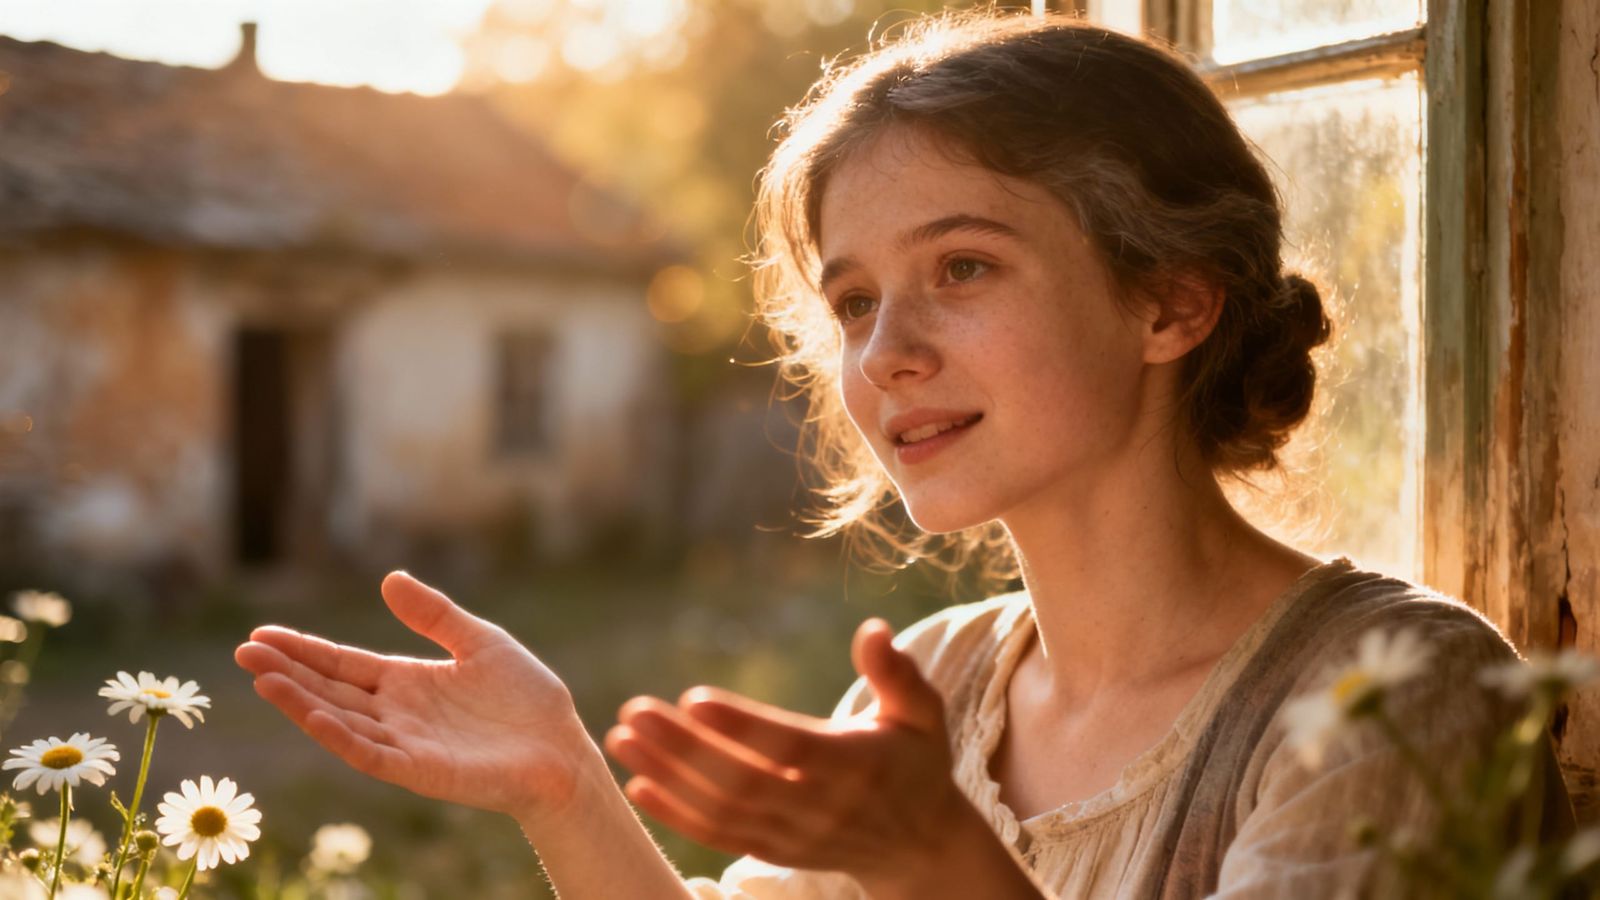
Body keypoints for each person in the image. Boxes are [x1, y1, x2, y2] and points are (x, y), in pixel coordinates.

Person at [234, 11, 1573, 899]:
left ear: (1169, 303)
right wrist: (562, 784)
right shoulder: (942, 679)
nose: (886, 355)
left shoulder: (1394, 695)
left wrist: (937, 860)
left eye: (965, 266)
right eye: (856, 299)